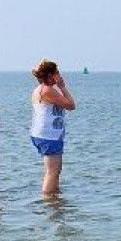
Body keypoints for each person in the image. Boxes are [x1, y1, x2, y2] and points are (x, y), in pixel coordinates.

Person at [28, 60, 77, 197]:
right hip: (48, 135)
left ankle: (54, 196)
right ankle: (49, 201)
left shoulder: (41, 89)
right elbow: (71, 105)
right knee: (53, 171)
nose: (60, 75)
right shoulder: (47, 90)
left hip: (45, 134)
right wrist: (63, 87)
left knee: (55, 170)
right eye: (57, 72)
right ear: (51, 75)